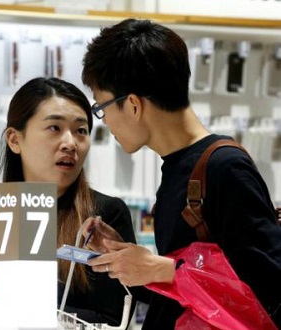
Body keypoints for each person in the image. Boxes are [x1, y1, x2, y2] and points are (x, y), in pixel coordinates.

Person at [80, 18, 281, 329]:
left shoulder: (224, 168)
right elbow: (184, 290)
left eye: (102, 108)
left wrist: (162, 268)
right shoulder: (178, 167)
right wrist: (128, 258)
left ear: (133, 105)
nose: (105, 122)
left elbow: (268, 287)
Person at [0, 77, 138, 328]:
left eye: (81, 130)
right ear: (15, 140)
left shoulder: (103, 215)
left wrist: (8, 305)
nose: (70, 143)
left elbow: (112, 321)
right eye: (54, 128)